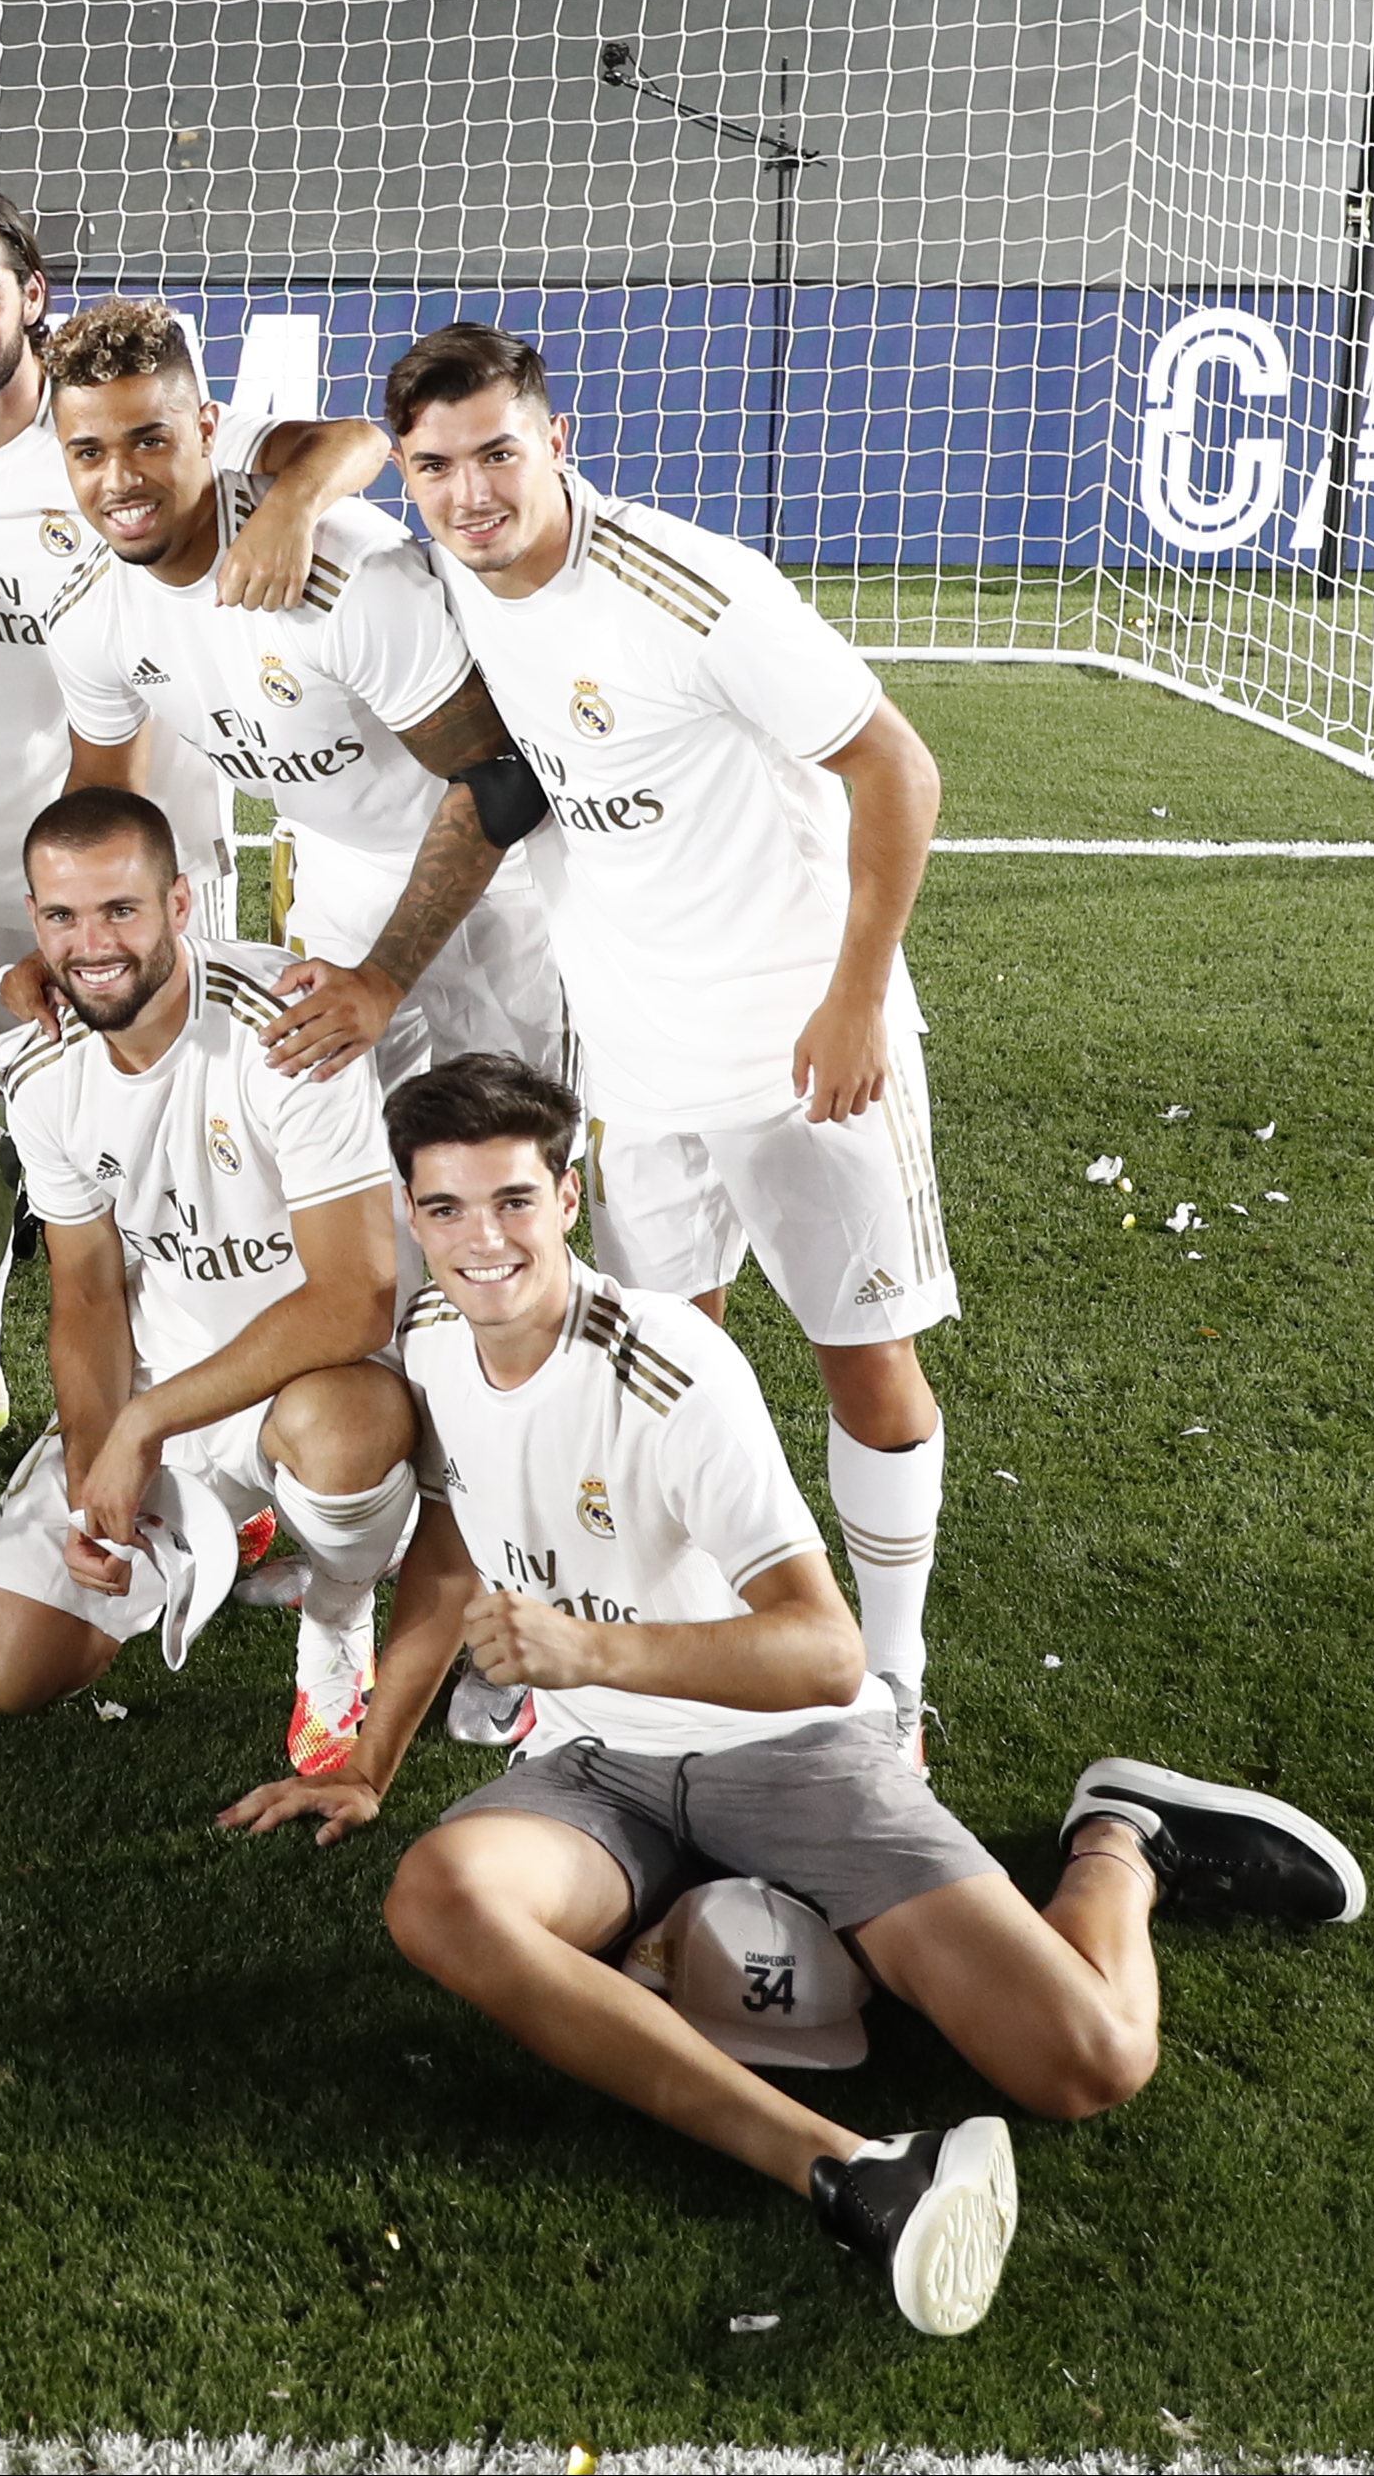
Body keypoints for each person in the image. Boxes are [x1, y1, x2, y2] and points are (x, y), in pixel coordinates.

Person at [220, 1055, 1365, 2341]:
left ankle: (1122, 1836)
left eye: (513, 1203)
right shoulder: (435, 1343)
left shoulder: (673, 1371)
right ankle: (852, 2169)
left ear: (569, 1196)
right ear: (412, 1214)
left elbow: (824, 1653)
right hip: (605, 1773)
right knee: (440, 1900)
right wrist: (372, 1758)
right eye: (444, 1211)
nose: (481, 1241)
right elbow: (446, 1549)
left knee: (1090, 2062)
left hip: (789, 1749)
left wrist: (590, 1656)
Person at [381, 321, 961, 1726]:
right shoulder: (450, 587)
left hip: (797, 1051)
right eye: (434, 466)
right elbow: (312, 459)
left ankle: (889, 1674)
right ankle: (621, 1666)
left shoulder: (688, 589)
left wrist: (854, 996)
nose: (470, 494)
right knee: (641, 1373)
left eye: (498, 455)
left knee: (862, 1361)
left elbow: (897, 766)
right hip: (630, 1072)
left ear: (556, 442)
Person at [0, 184, 376, 1414]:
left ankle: (208, 1370)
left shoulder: (115, 425)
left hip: (161, 849)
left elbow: (351, 439)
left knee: (189, 1111)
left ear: (33, 300)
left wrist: (293, 506)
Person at [0, 786, 424, 1777]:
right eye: (62, 916)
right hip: (169, 1383)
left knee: (341, 1442)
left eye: (120, 910)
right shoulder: (45, 1071)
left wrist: (143, 1425)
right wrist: (97, 1477)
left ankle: (339, 1620)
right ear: (34, 922)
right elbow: (85, 1294)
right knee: (4, 1668)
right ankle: (235, 1516)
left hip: (321, 1379)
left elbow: (356, 1298)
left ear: (180, 906)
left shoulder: (291, 1030)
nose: (91, 946)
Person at [27, 298, 565, 1088]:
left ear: (208, 431)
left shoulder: (346, 576)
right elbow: (104, 794)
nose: (119, 480)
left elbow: (500, 783)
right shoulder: (88, 614)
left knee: (498, 1148)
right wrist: (63, 940)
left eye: (150, 440)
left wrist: (383, 980)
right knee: (341, 1146)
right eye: (88, 452)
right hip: (335, 871)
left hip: (495, 880)